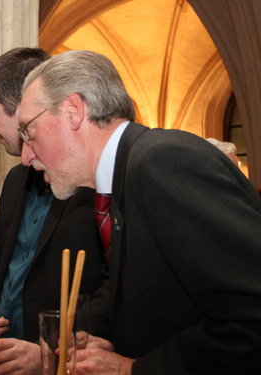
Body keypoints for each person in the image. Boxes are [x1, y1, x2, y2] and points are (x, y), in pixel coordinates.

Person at [18, 49, 261, 374]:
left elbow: (252, 316)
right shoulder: (120, 183)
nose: (25, 156)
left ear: (73, 111)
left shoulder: (162, 163)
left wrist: (133, 368)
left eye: (29, 132)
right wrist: (114, 342)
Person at [0, 47, 106, 374]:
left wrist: (51, 352)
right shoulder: (16, 179)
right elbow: (2, 267)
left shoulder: (89, 180)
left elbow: (112, 285)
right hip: (5, 357)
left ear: (23, 109)